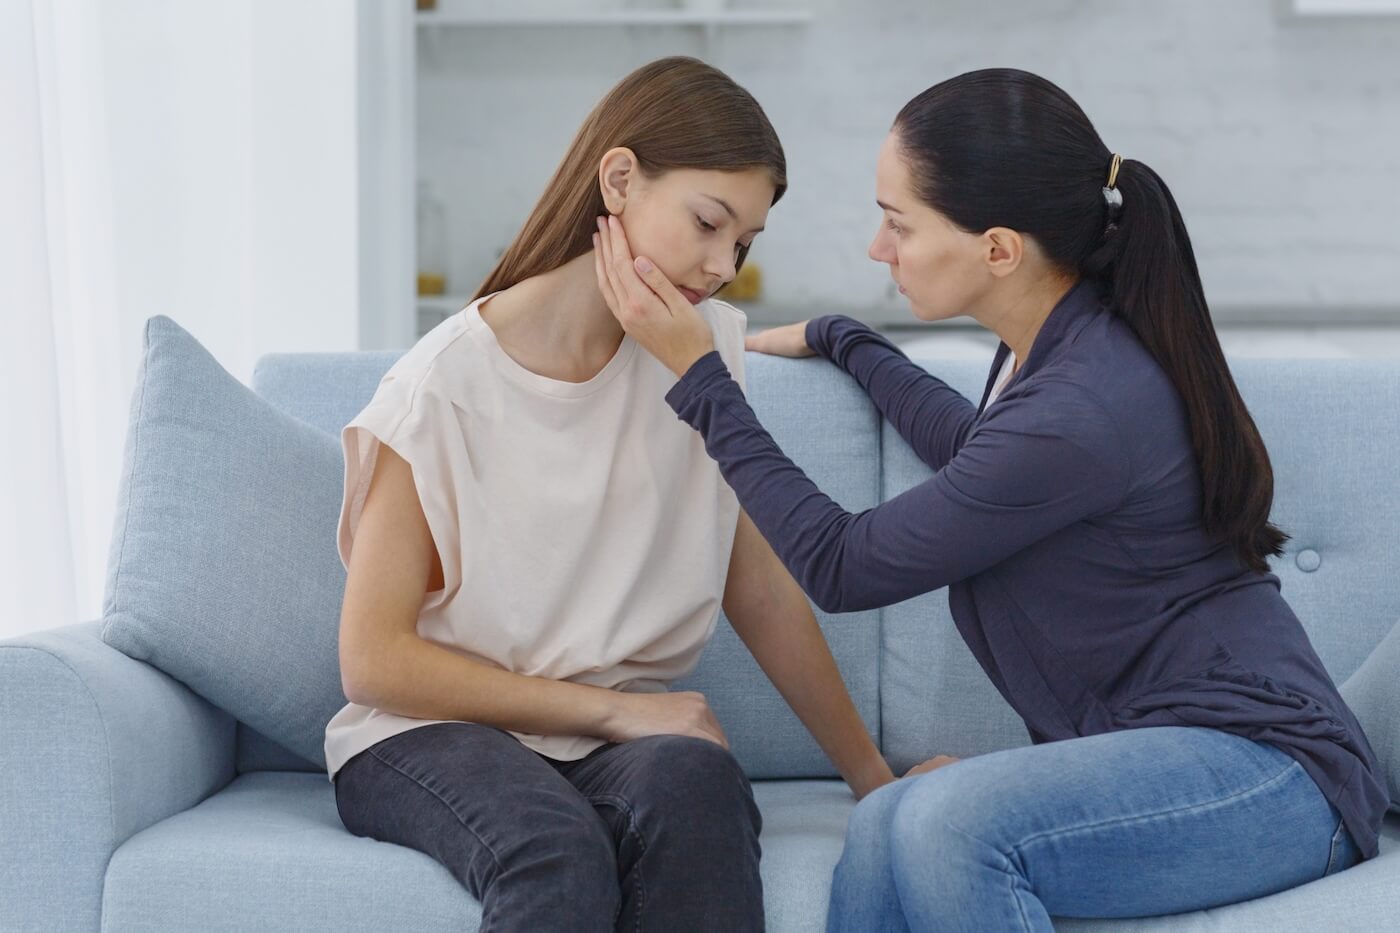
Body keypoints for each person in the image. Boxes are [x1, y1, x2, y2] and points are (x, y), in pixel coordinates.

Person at [595, 67, 1387, 931]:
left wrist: (703, 381)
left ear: (998, 249)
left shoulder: (1084, 402)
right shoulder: (1051, 351)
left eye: (898, 223)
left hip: (1274, 778)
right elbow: (975, 450)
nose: (877, 248)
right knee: (887, 818)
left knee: (948, 822)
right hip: (1172, 756)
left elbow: (842, 564)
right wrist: (843, 337)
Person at [327, 56, 894, 933]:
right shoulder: (440, 387)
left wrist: (876, 782)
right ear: (620, 179)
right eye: (708, 222)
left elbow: (759, 586)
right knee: (555, 847)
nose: (721, 266)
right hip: (426, 736)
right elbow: (374, 660)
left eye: (742, 243)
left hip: (607, 748)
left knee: (699, 784)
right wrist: (616, 709)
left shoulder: (700, 362)